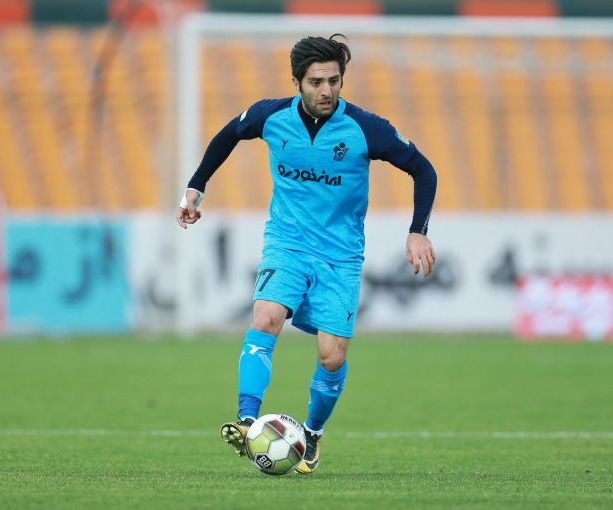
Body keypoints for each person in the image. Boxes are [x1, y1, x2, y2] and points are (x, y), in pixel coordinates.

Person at [176, 34, 437, 474]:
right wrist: (195, 187)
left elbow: (423, 170)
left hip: (340, 256)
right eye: (316, 82)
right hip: (287, 243)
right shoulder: (271, 116)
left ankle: (312, 434)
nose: (326, 91)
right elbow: (228, 134)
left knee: (332, 356)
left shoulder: (365, 129)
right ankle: (247, 423)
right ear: (297, 81)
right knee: (265, 317)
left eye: (334, 81)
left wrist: (418, 232)